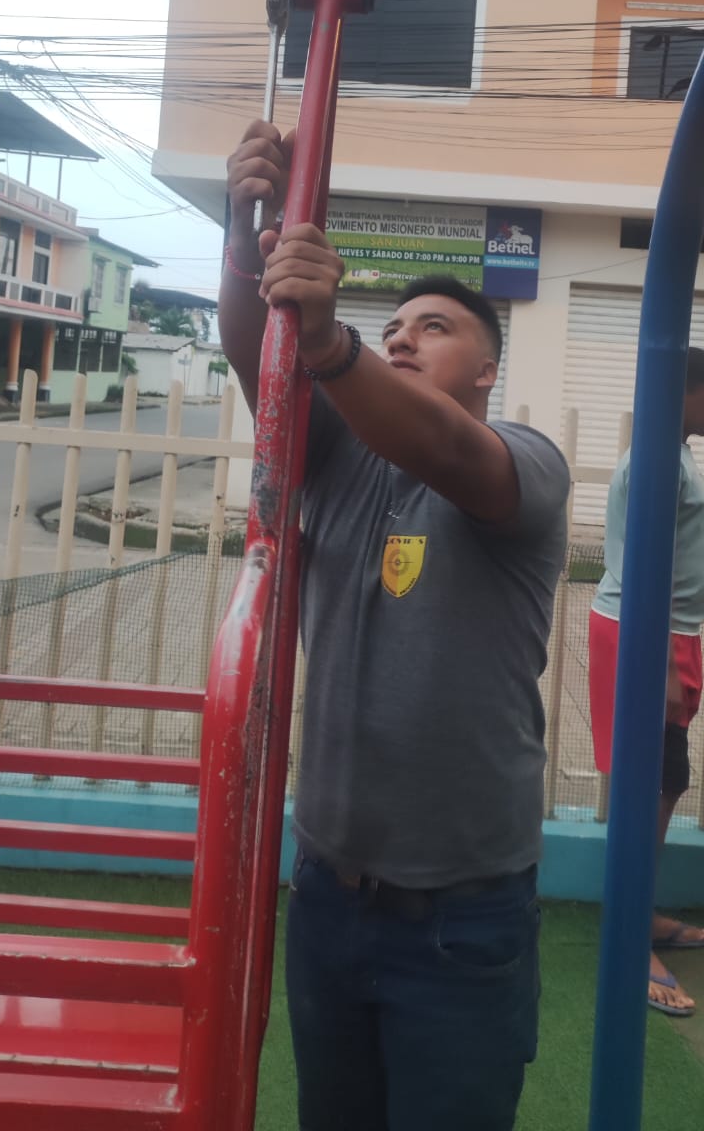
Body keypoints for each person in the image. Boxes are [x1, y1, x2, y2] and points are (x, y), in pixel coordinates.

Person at [219, 120, 570, 1131]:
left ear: (487, 371)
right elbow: (256, 352)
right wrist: (246, 231)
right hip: (329, 898)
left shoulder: (525, 465)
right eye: (397, 325)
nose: (405, 336)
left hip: (462, 919)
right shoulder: (337, 461)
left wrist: (334, 343)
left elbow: (448, 454)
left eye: (435, 327)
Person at [590, 345, 704, 1019]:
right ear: (686, 393)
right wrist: (658, 662)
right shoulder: (658, 459)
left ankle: (640, 910)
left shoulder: (677, 452)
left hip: (670, 632)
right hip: (644, 633)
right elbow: (641, 562)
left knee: (667, 779)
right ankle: (629, 936)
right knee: (649, 783)